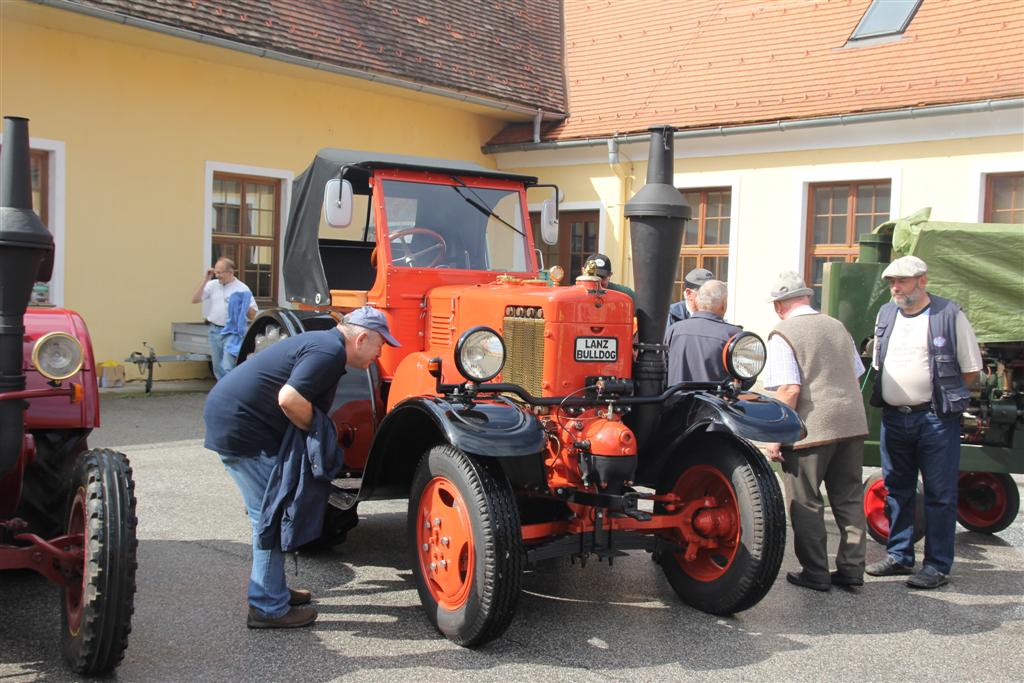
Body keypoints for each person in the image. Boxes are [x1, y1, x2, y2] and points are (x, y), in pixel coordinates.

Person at [203, 306, 400, 628]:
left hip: (236, 420)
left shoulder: (325, 345)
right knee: (272, 515)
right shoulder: (328, 352)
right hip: (242, 429)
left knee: (271, 513)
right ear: (362, 338)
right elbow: (290, 399)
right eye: (380, 345)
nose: (379, 354)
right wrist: (319, 431)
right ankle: (268, 607)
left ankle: (272, 589)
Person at [865, 256, 982, 589]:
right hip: (894, 416)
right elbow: (878, 362)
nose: (895, 288)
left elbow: (970, 369)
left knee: (939, 494)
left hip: (934, 418)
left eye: (902, 281)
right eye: (891, 283)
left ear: (922, 281)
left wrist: (942, 399)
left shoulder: (949, 314)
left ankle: (937, 564)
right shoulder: (886, 313)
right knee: (897, 488)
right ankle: (900, 554)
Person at [762, 272, 869, 592]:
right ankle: (852, 568)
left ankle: (816, 571)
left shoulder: (783, 333)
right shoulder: (837, 326)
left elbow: (789, 390)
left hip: (812, 428)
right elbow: (857, 371)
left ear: (780, 306)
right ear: (806, 298)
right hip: (851, 423)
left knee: (806, 501)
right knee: (849, 497)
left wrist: (775, 437)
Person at [191, 258, 258, 380]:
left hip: (232, 333)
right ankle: (223, 393)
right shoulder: (212, 285)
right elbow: (194, 299)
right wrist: (206, 279)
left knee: (227, 366)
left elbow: (252, 315)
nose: (217, 276)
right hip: (214, 330)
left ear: (231, 272)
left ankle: (230, 393)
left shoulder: (242, 288)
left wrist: (243, 303)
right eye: (216, 272)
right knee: (217, 367)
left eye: (220, 272)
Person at [664, 280, 741, 384]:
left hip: (676, 398)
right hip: (715, 399)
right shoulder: (733, 334)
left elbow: (662, 369)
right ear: (724, 304)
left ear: (697, 302)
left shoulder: (673, 330)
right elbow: (745, 377)